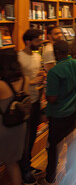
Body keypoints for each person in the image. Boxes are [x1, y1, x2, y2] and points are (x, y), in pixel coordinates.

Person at [41, 41, 76, 184]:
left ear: (57, 53)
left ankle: (50, 178)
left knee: (53, 148)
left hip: (58, 115)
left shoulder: (54, 71)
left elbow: (52, 98)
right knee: (72, 145)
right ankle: (70, 173)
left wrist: (46, 92)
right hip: (73, 113)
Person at [17, 29, 45, 183]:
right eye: (37, 40)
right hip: (24, 103)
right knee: (25, 138)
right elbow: (17, 81)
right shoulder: (19, 57)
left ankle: (28, 164)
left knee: (32, 135)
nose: (39, 43)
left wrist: (41, 75)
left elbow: (36, 73)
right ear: (28, 41)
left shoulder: (37, 55)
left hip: (36, 101)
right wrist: (33, 81)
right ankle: (24, 169)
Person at [0, 49, 29, 185]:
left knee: (8, 161)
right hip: (20, 126)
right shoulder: (25, 80)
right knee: (12, 163)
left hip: (4, 127)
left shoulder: (1, 85)